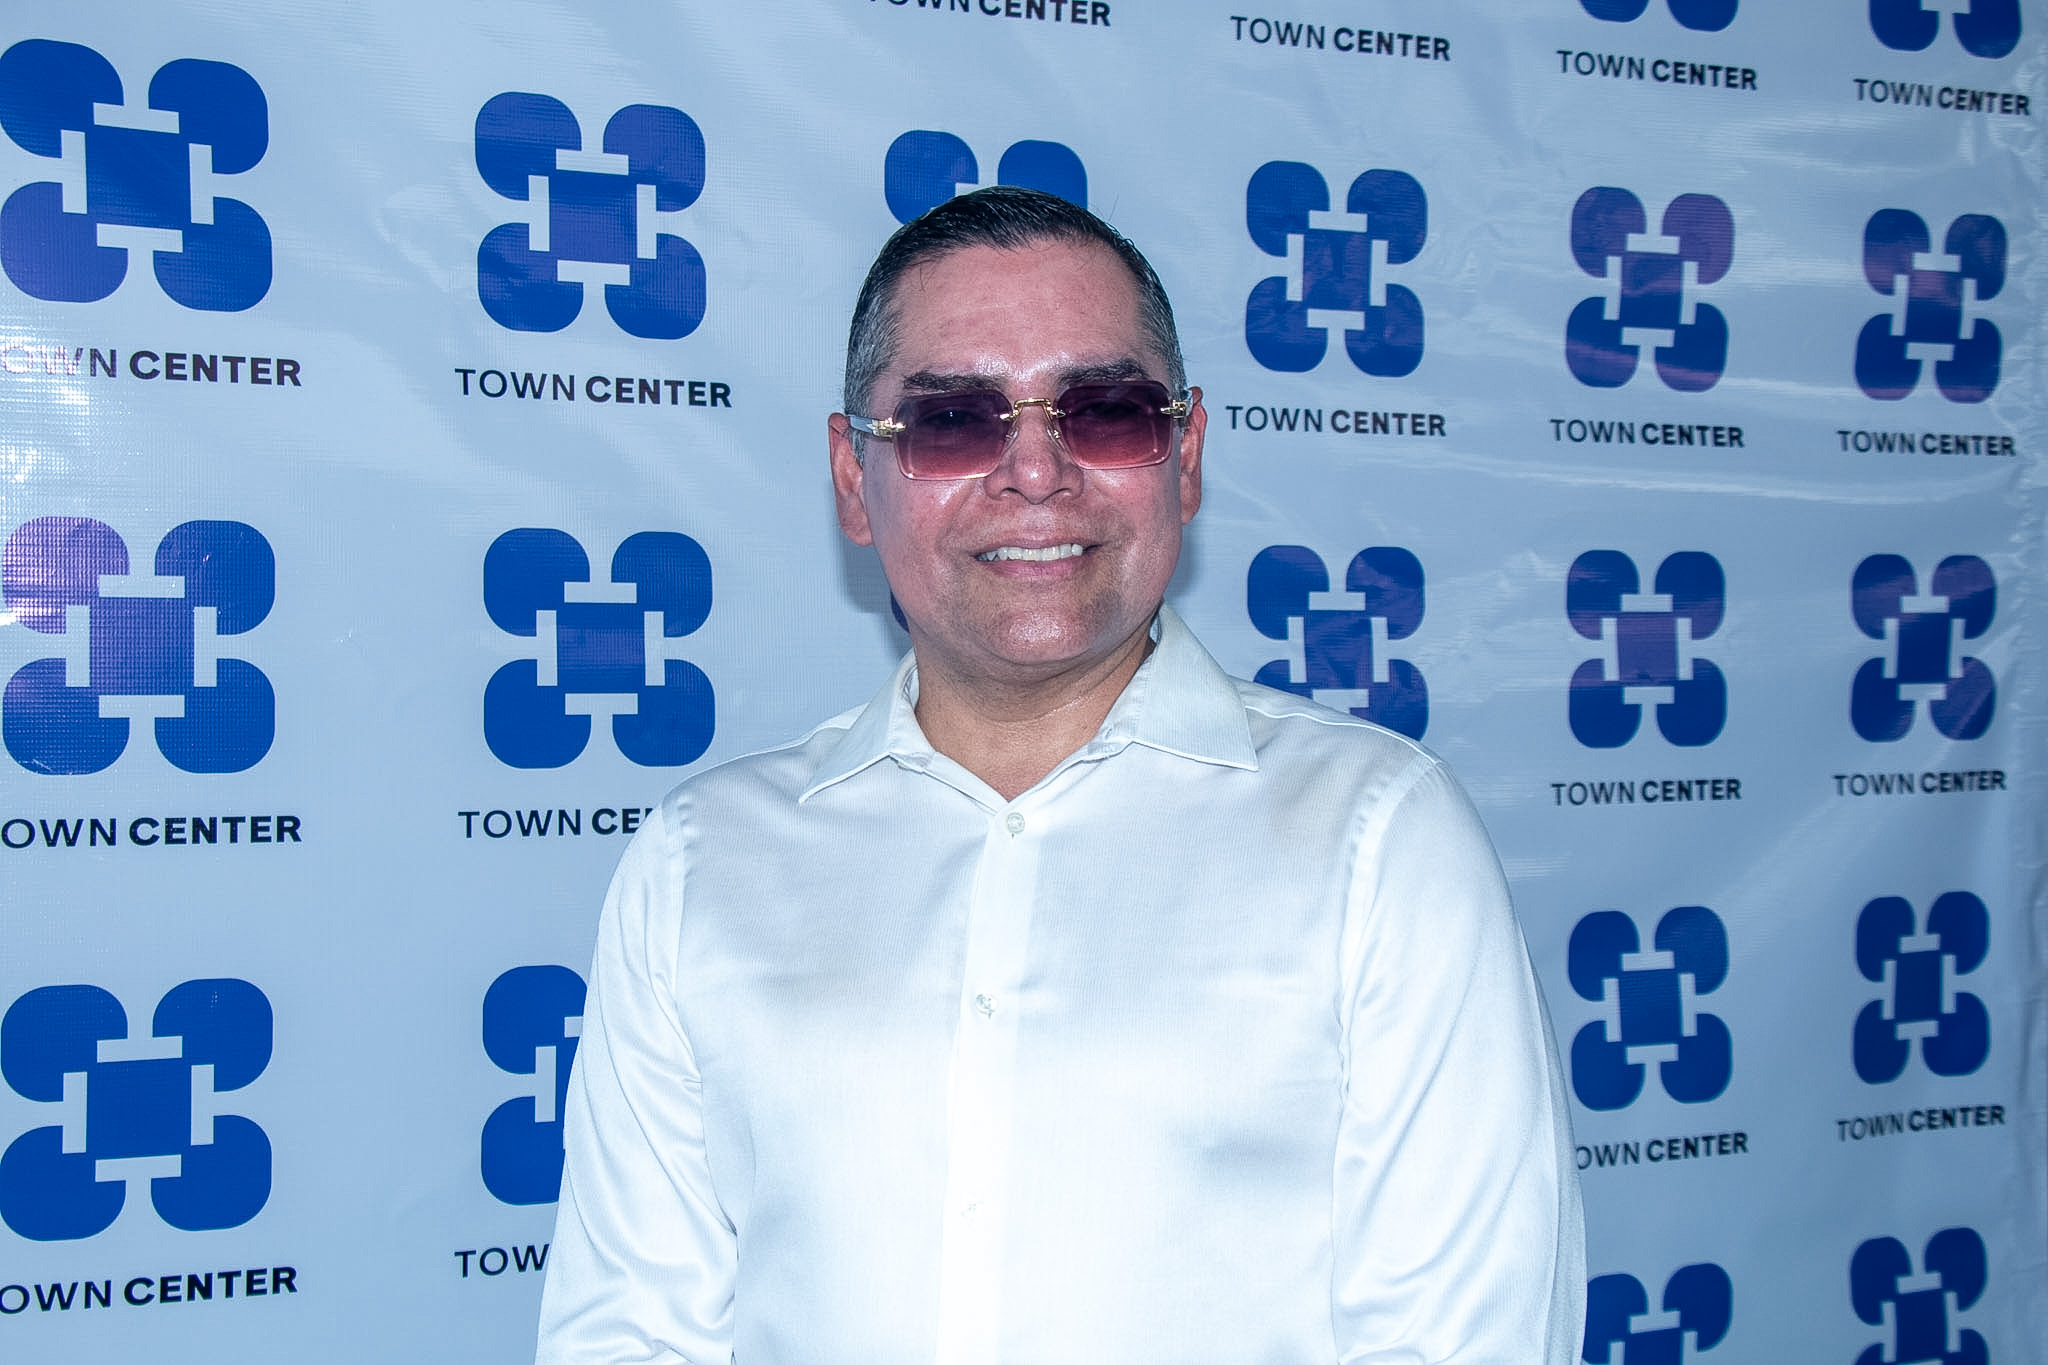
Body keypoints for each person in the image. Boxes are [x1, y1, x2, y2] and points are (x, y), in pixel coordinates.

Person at [536, 186, 1584, 1364]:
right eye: (951, 421)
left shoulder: (1375, 836)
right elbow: (627, 1333)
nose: (1035, 473)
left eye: (1104, 413)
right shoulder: (703, 862)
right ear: (852, 477)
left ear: (1184, 456)